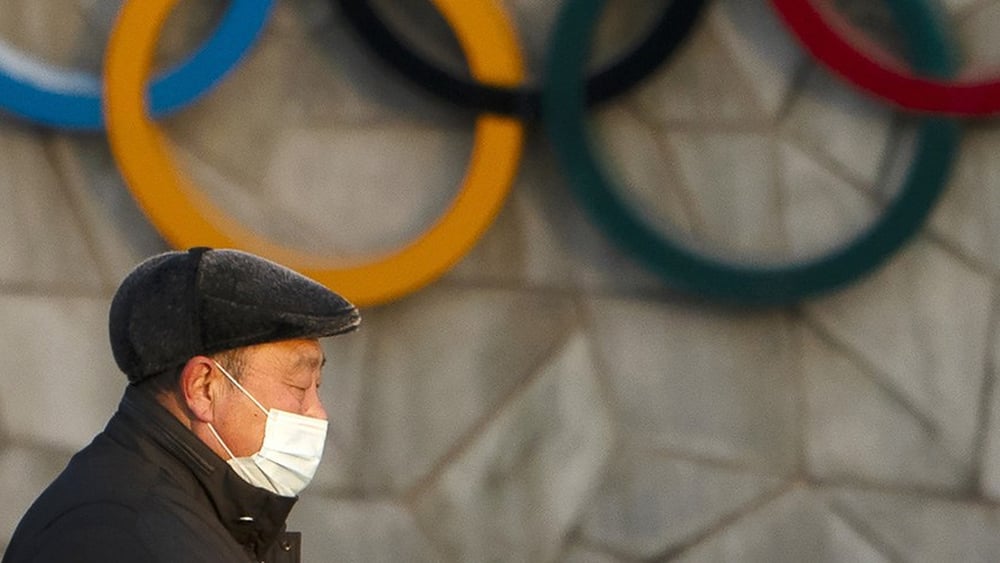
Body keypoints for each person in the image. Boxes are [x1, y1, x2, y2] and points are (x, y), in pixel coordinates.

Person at [2, 247, 361, 563]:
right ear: (203, 388)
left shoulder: (195, 518)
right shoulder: (117, 535)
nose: (317, 412)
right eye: (299, 385)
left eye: (317, 386)